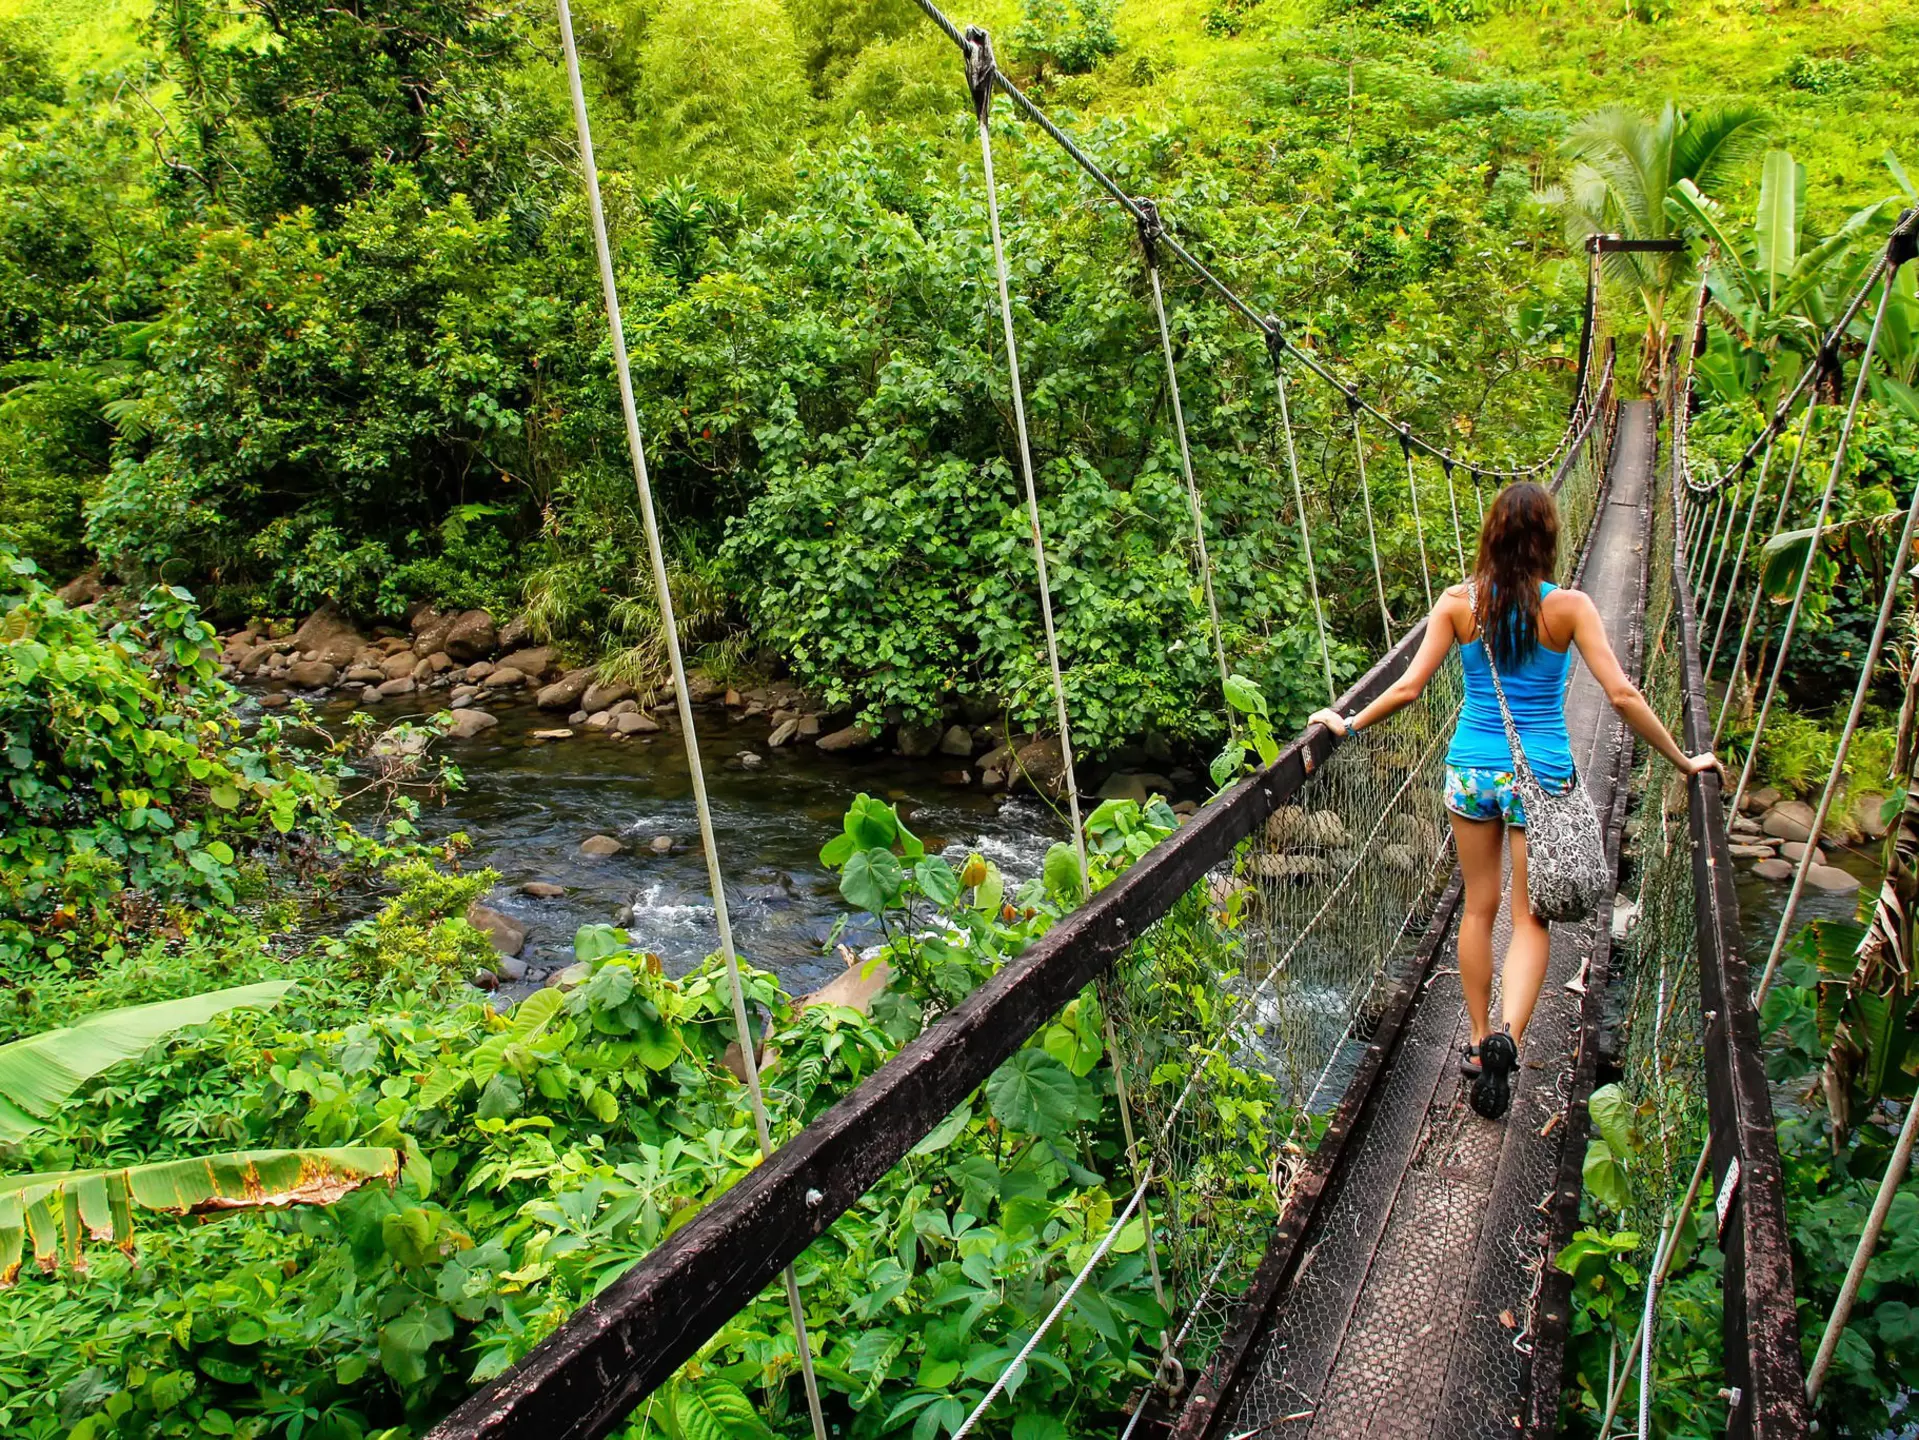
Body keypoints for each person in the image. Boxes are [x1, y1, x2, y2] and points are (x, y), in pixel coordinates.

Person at [1309, 481, 1721, 1120]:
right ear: (1550, 539)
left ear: (1490, 536)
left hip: (1473, 772)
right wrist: (1684, 760)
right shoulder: (1572, 608)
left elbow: (1411, 689)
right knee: (1531, 918)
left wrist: (1347, 720)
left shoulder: (1456, 603)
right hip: (1544, 777)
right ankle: (1511, 1038)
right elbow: (1622, 697)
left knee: (1479, 908)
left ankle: (1476, 1042)